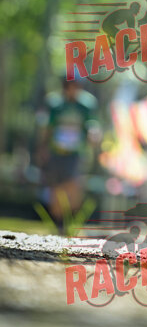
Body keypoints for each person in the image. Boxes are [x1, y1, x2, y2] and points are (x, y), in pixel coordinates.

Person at [36, 76, 100, 232]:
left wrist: (94, 135)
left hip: (76, 153)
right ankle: (57, 222)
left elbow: (92, 125)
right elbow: (48, 128)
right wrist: (42, 148)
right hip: (56, 152)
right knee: (56, 187)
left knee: (73, 185)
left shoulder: (86, 105)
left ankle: (70, 221)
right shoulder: (55, 104)